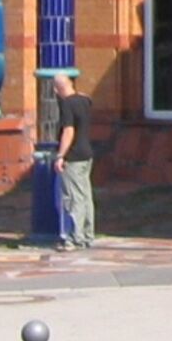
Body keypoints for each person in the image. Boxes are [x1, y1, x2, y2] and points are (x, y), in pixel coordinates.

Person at [53, 73, 97, 250]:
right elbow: (87, 98)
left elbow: (68, 131)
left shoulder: (67, 104)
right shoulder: (85, 101)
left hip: (74, 156)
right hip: (87, 154)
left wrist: (60, 155)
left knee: (72, 198)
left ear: (57, 89)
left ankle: (74, 237)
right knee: (86, 196)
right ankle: (87, 235)